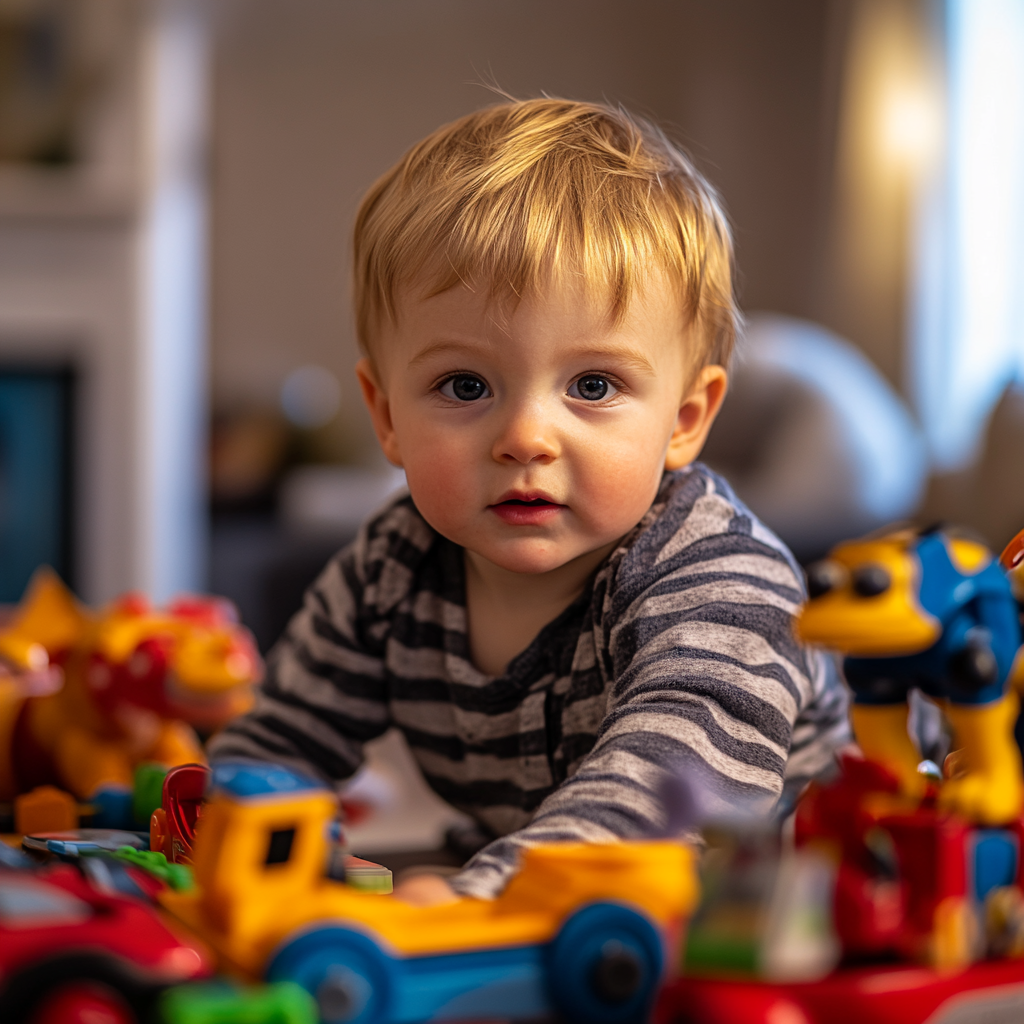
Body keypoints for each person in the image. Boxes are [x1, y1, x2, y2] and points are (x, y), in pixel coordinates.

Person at [209, 97, 848, 905]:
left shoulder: (719, 582)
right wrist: (204, 825)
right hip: (548, 888)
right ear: (386, 416)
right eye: (465, 385)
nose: (525, 438)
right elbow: (283, 741)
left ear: (685, 421)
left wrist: (485, 900)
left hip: (778, 911)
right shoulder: (390, 567)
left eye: (592, 386)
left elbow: (665, 809)